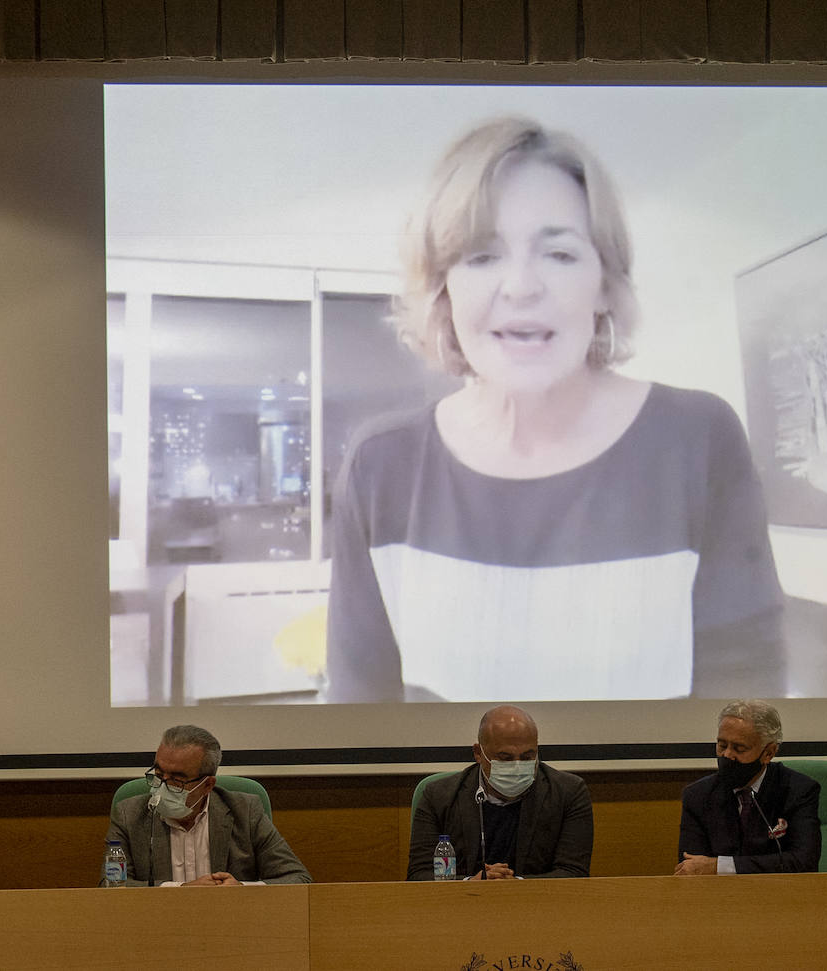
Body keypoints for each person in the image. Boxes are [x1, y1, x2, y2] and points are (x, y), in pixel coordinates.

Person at [326, 115, 785, 703]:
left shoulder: (698, 440)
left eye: (560, 255)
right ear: (444, 289)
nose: (520, 286)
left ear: (603, 285)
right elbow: (361, 717)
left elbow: (746, 711)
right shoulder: (381, 466)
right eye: (482, 256)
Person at [106, 725, 311, 886]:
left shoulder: (246, 811)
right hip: (156, 927)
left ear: (208, 785)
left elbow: (298, 878)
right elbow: (112, 885)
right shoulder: (129, 815)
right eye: (159, 775)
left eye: (177, 780)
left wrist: (242, 888)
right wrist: (179, 890)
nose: (162, 786)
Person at [408, 705, 592, 880]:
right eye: (506, 758)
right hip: (461, 905)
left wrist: (515, 884)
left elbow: (574, 873)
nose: (517, 765)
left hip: (538, 905)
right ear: (478, 753)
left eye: (528, 757)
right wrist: (469, 882)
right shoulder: (438, 796)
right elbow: (419, 875)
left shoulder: (569, 793)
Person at [675, 699, 820, 874]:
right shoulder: (698, 796)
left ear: (768, 753)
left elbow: (803, 862)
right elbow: (692, 867)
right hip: (718, 898)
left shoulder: (798, 790)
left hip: (782, 894)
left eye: (739, 748)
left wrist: (719, 866)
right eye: (722, 745)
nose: (727, 755)